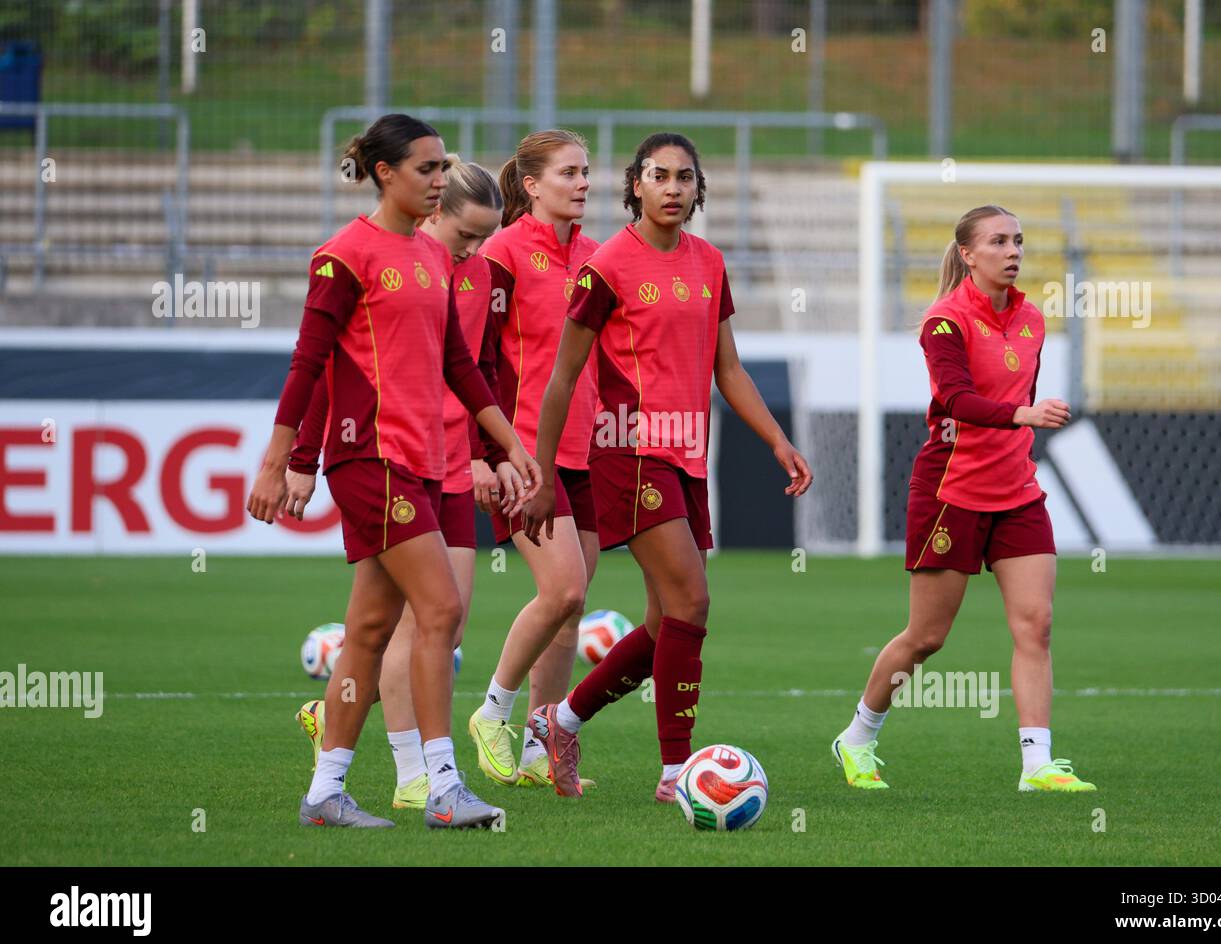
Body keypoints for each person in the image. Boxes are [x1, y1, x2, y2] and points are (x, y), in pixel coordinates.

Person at [246, 114, 541, 829]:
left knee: (370, 633)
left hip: (417, 462)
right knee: (441, 611)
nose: (440, 180)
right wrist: (280, 461)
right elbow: (307, 364)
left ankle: (326, 792)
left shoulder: (435, 258)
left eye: (443, 168)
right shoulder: (344, 254)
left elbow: (459, 367)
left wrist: (509, 446)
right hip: (368, 459)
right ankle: (441, 786)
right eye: (427, 169)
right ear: (385, 172)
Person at [520, 132, 813, 800]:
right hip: (629, 452)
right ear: (637, 185)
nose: (674, 188)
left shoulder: (709, 263)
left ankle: (560, 720)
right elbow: (563, 376)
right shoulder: (609, 266)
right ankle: (677, 772)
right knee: (693, 601)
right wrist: (541, 472)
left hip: (686, 455)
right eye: (660, 176)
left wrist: (776, 439)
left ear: (698, 187)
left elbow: (727, 367)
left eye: (686, 177)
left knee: (664, 625)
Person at [830, 204, 1096, 794]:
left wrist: (1020, 424)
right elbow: (954, 398)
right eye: (998, 241)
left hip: (1018, 493)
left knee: (1038, 624)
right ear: (968, 254)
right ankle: (857, 738)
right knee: (926, 637)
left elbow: (1013, 392)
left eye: (1018, 241)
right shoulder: (944, 321)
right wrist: (1022, 414)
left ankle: (1037, 766)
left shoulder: (1031, 318)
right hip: (951, 492)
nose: (1012, 251)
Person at [464, 130, 603, 791]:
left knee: (571, 611)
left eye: (586, 172)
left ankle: (536, 751)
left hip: (589, 450)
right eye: (570, 173)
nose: (583, 183)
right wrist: (484, 456)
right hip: (525, 452)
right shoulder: (501, 253)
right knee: (564, 590)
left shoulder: (598, 257)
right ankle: (493, 712)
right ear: (531, 185)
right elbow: (474, 364)